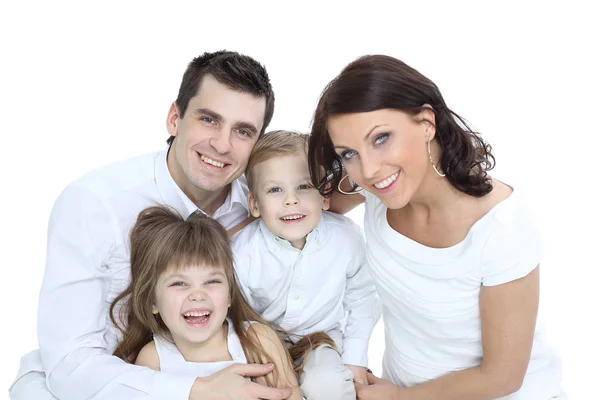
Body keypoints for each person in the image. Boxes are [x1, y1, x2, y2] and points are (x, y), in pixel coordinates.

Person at [9, 50, 293, 400]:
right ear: (175, 118)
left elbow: (323, 201)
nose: (222, 144)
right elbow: (69, 365)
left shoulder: (262, 203)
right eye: (208, 120)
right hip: (85, 386)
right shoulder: (95, 204)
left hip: (215, 374)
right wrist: (193, 390)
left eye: (243, 131)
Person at [308, 55, 565, 399]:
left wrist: (400, 398)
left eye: (381, 138)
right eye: (348, 153)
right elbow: (305, 204)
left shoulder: (501, 227)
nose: (368, 170)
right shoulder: (375, 188)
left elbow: (502, 376)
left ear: (427, 122)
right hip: (399, 387)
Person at [232, 130, 381, 400]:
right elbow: (235, 314)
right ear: (254, 204)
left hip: (320, 340)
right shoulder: (243, 251)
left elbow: (363, 299)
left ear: (325, 195)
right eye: (275, 190)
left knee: (331, 386)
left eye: (303, 186)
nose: (291, 200)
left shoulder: (345, 238)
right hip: (261, 344)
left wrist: (355, 359)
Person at [110, 205, 304, 399]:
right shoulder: (154, 358)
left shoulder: (257, 339)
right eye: (179, 283)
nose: (198, 295)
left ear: (229, 295)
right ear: (152, 301)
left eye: (212, 281)